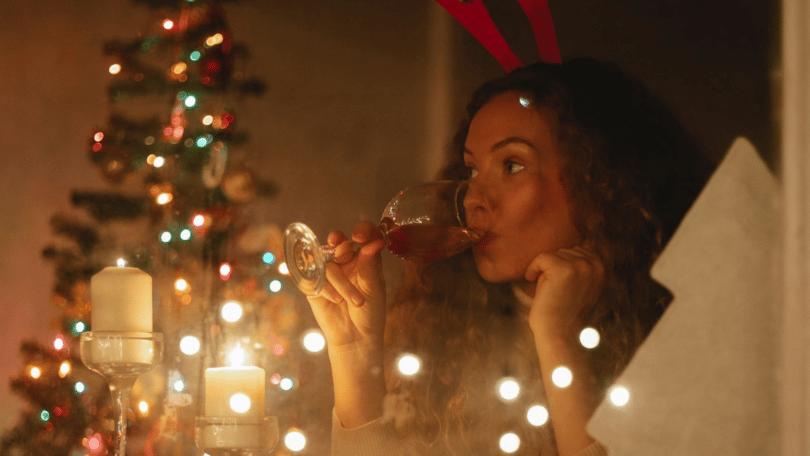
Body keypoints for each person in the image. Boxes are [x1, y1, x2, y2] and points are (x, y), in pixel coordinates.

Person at [306, 58, 714, 456]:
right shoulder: (449, 336)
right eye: (471, 171)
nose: (475, 200)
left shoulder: (687, 343)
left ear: (602, 183)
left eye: (512, 165)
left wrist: (559, 337)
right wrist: (354, 356)